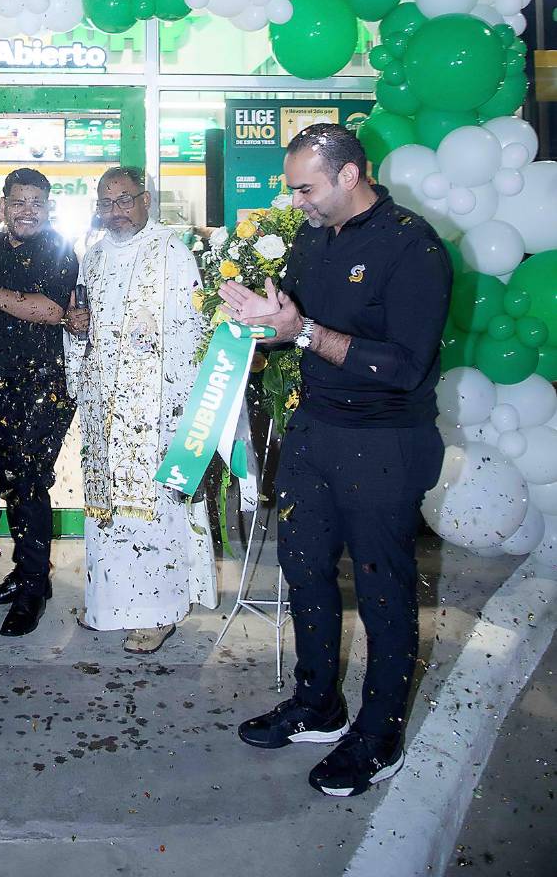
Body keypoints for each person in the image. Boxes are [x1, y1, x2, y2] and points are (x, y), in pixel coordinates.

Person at [220, 123, 452, 798]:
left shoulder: (413, 246)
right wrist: (262, 327)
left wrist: (303, 332)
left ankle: (379, 736)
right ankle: (317, 704)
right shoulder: (313, 237)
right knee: (304, 571)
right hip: (315, 431)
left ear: (350, 175)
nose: (296, 202)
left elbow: (404, 367)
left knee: (382, 591)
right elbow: (294, 327)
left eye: (305, 188)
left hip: (384, 443)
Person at [63, 167, 218, 655]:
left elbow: (193, 330)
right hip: (103, 404)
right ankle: (109, 605)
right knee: (107, 508)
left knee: (154, 511)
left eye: (124, 201)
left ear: (146, 200)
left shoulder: (172, 252)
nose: (115, 212)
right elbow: (83, 322)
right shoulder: (93, 256)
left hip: (157, 408)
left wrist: (185, 410)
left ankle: (158, 613)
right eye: (106, 203)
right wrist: (76, 328)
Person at [0, 168, 78, 638]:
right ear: (3, 204)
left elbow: (51, 310)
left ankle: (31, 591)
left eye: (36, 203)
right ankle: (28, 573)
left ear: (48, 208)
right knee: (11, 483)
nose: (27, 211)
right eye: (19, 202)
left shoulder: (60, 249)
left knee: (29, 483)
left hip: (44, 385)